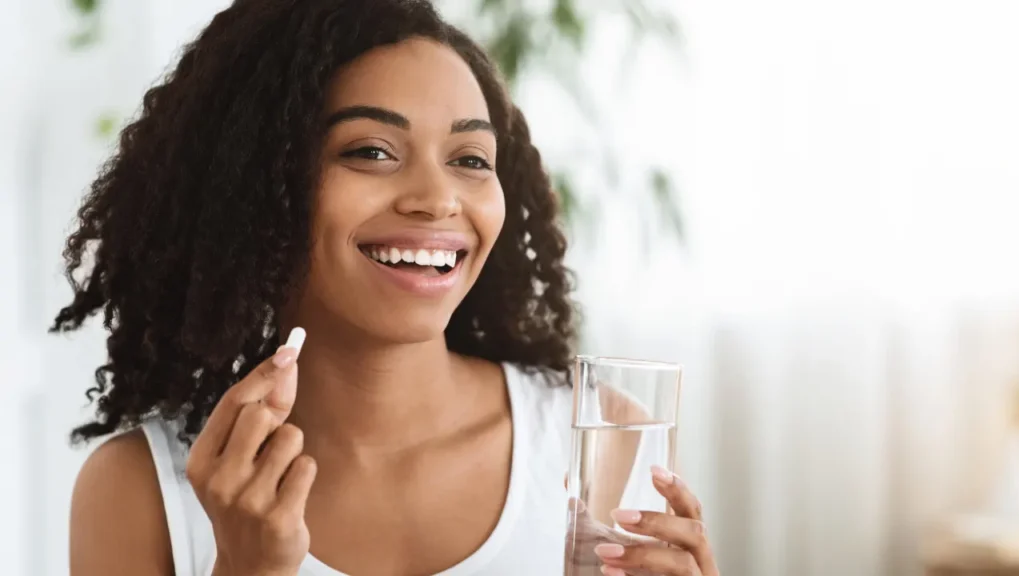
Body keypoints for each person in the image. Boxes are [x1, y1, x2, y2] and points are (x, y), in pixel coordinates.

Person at [53, 1, 718, 575]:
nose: (437, 199)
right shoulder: (140, 491)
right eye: (371, 151)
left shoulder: (609, 438)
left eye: (470, 161)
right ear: (256, 189)